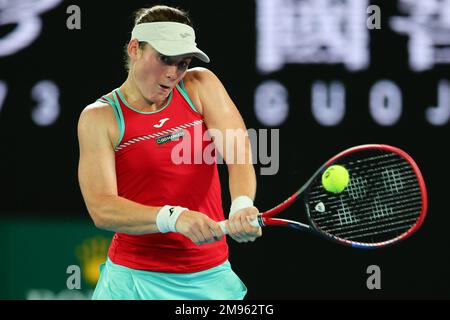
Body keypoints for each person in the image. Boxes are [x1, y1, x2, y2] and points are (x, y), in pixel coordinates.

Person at [77, 5, 261, 300]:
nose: (173, 73)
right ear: (135, 48)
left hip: (209, 278)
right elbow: (102, 208)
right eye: (164, 59)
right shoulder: (100, 118)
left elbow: (238, 153)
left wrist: (241, 204)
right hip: (131, 282)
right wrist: (173, 217)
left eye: (183, 63)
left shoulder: (200, 85)